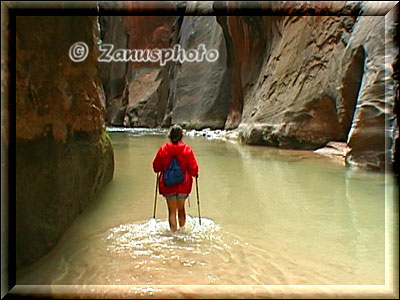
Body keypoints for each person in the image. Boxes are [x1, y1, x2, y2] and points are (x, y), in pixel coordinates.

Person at [152, 125, 199, 232]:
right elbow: (193, 169)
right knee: (181, 209)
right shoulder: (187, 150)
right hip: (184, 185)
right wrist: (196, 174)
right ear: (181, 136)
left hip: (168, 185)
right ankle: (182, 232)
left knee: (172, 211)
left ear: (170, 135)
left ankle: (174, 235)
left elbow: (156, 167)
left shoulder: (163, 149)